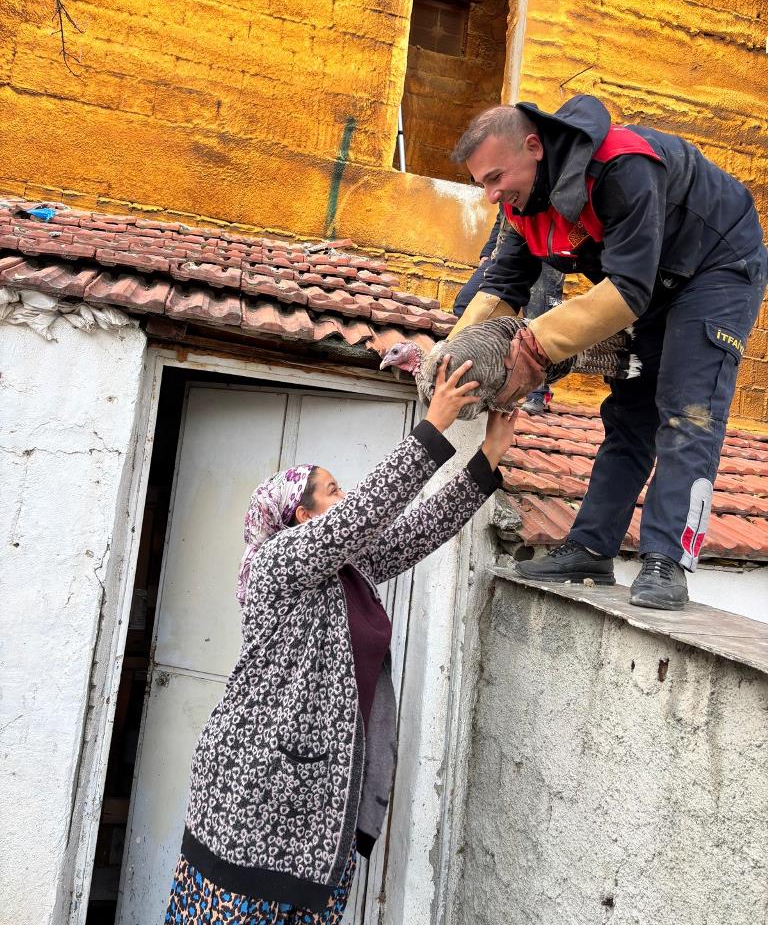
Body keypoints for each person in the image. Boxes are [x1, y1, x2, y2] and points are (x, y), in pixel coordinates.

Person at [164, 358, 518, 925]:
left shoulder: (344, 570)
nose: (346, 495)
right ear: (301, 516)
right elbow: (361, 516)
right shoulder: (278, 562)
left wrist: (488, 457)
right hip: (255, 798)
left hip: (317, 807)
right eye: (333, 491)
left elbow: (416, 532)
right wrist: (434, 426)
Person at [449, 94, 767, 611]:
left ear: (533, 147)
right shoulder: (521, 201)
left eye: (494, 177)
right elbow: (504, 283)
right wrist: (451, 354)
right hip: (654, 283)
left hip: (717, 269)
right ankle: (590, 549)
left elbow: (628, 292)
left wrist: (534, 347)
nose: (490, 195)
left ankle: (669, 560)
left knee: (688, 411)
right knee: (628, 416)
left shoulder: (623, 166)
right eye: (482, 183)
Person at [453, 209, 564, 414]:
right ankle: (485, 375)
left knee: (539, 322)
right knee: (466, 303)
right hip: (509, 247)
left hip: (550, 251)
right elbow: (503, 215)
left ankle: (538, 393)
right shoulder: (505, 184)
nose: (492, 193)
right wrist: (487, 252)